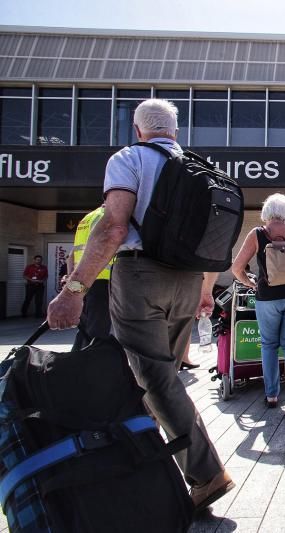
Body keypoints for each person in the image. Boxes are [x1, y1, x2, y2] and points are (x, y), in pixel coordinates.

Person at [46, 98, 234, 514]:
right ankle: (152, 460)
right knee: (159, 378)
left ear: (138, 130)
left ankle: (205, 474)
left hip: (140, 276)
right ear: (176, 132)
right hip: (186, 280)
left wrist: (74, 289)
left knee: (154, 379)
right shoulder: (195, 166)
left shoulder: (129, 158)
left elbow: (113, 227)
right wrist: (205, 290)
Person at [231, 193, 285, 412]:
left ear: (266, 212)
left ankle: (272, 395)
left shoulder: (257, 234)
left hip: (268, 298)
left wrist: (251, 284)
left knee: (269, 345)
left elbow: (236, 268)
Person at [70, 205, 114, 351]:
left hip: (82, 281)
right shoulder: (106, 216)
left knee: (84, 326)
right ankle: (92, 363)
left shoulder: (87, 218)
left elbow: (71, 255)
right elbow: (103, 246)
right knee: (98, 329)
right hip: (101, 280)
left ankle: (76, 359)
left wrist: (71, 282)